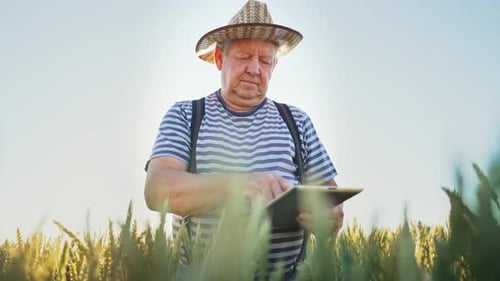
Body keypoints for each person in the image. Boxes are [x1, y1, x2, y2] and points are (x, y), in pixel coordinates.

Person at [144, 0, 344, 278]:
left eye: (265, 60)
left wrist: (330, 217)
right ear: (219, 59)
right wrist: (236, 186)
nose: (255, 69)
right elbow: (157, 191)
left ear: (274, 66)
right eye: (244, 56)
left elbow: (331, 199)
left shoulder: (297, 121)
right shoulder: (186, 115)